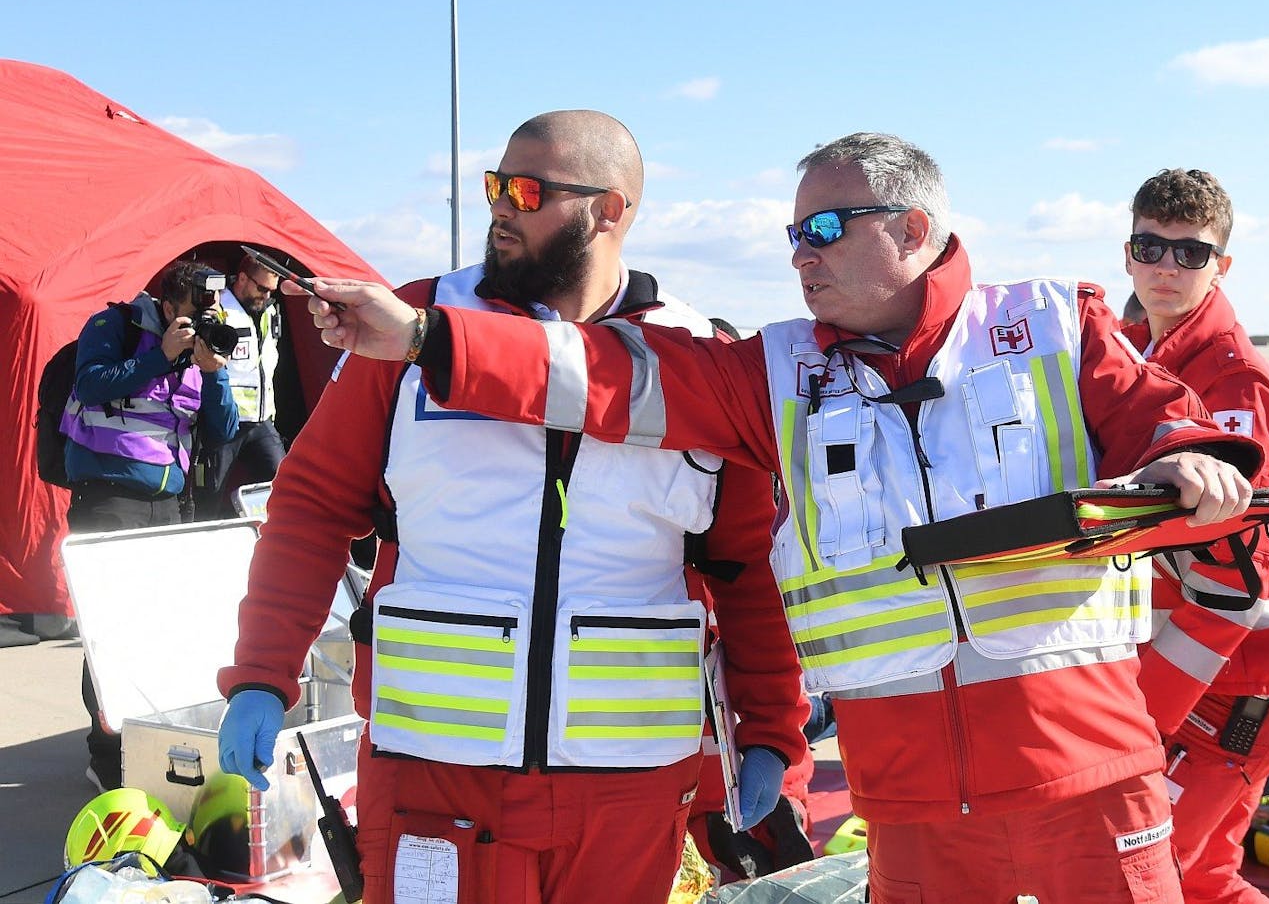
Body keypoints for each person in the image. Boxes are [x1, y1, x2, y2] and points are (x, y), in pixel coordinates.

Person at [291, 131, 1269, 903]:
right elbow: (601, 373)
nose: (800, 255)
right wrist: (422, 334)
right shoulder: (775, 373)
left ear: (914, 227)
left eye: (826, 229)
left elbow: (1172, 435)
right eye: (792, 235)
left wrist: (1191, 464)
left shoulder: (1052, 327)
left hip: (1087, 777)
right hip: (912, 803)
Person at [214, 111, 807, 904]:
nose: (499, 207)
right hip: (434, 773)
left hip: (628, 789)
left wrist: (770, 729)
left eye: (526, 191)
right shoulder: (409, 329)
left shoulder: (697, 358)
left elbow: (745, 570)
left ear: (610, 210)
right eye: (494, 185)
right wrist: (261, 673)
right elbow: (313, 505)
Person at [1119, 169, 1269, 904]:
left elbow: (1236, 583)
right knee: (1207, 880)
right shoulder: (1139, 355)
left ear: (1221, 266)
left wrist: (1140, 722)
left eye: (1190, 253)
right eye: (1151, 247)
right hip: (1220, 671)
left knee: (1149, 876)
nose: (1166, 268)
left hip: (1247, 677)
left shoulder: (1232, 384)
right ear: (1128, 254)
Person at [64, 259, 239, 790]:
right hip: (110, 498)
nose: (201, 323)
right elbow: (90, 385)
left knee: (161, 629)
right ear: (167, 309)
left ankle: (147, 742)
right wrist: (159, 358)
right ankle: (106, 751)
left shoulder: (199, 352)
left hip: (171, 507)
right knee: (110, 632)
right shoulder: (112, 328)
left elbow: (225, 427)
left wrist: (213, 374)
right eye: (192, 315)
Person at [193, 254, 291, 519]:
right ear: (243, 279)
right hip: (226, 421)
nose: (267, 296)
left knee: (285, 487)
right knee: (209, 497)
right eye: (262, 289)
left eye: (272, 291)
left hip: (261, 421)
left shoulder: (270, 310)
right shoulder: (218, 308)